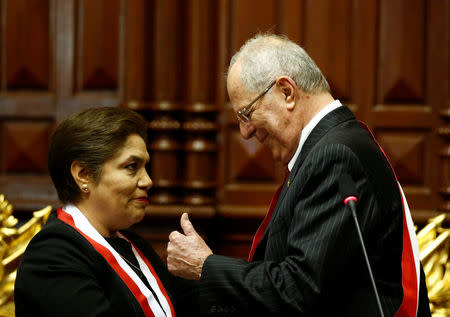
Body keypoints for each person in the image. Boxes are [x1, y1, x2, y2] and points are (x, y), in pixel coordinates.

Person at [166, 34, 431, 316]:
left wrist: (206, 267)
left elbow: (301, 290)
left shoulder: (335, 156)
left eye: (246, 113)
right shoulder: (332, 145)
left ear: (286, 92)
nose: (245, 131)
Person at [15, 107, 196, 316]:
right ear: (83, 175)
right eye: (131, 166)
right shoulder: (52, 256)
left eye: (146, 167)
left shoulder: (135, 245)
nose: (147, 181)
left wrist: (206, 267)